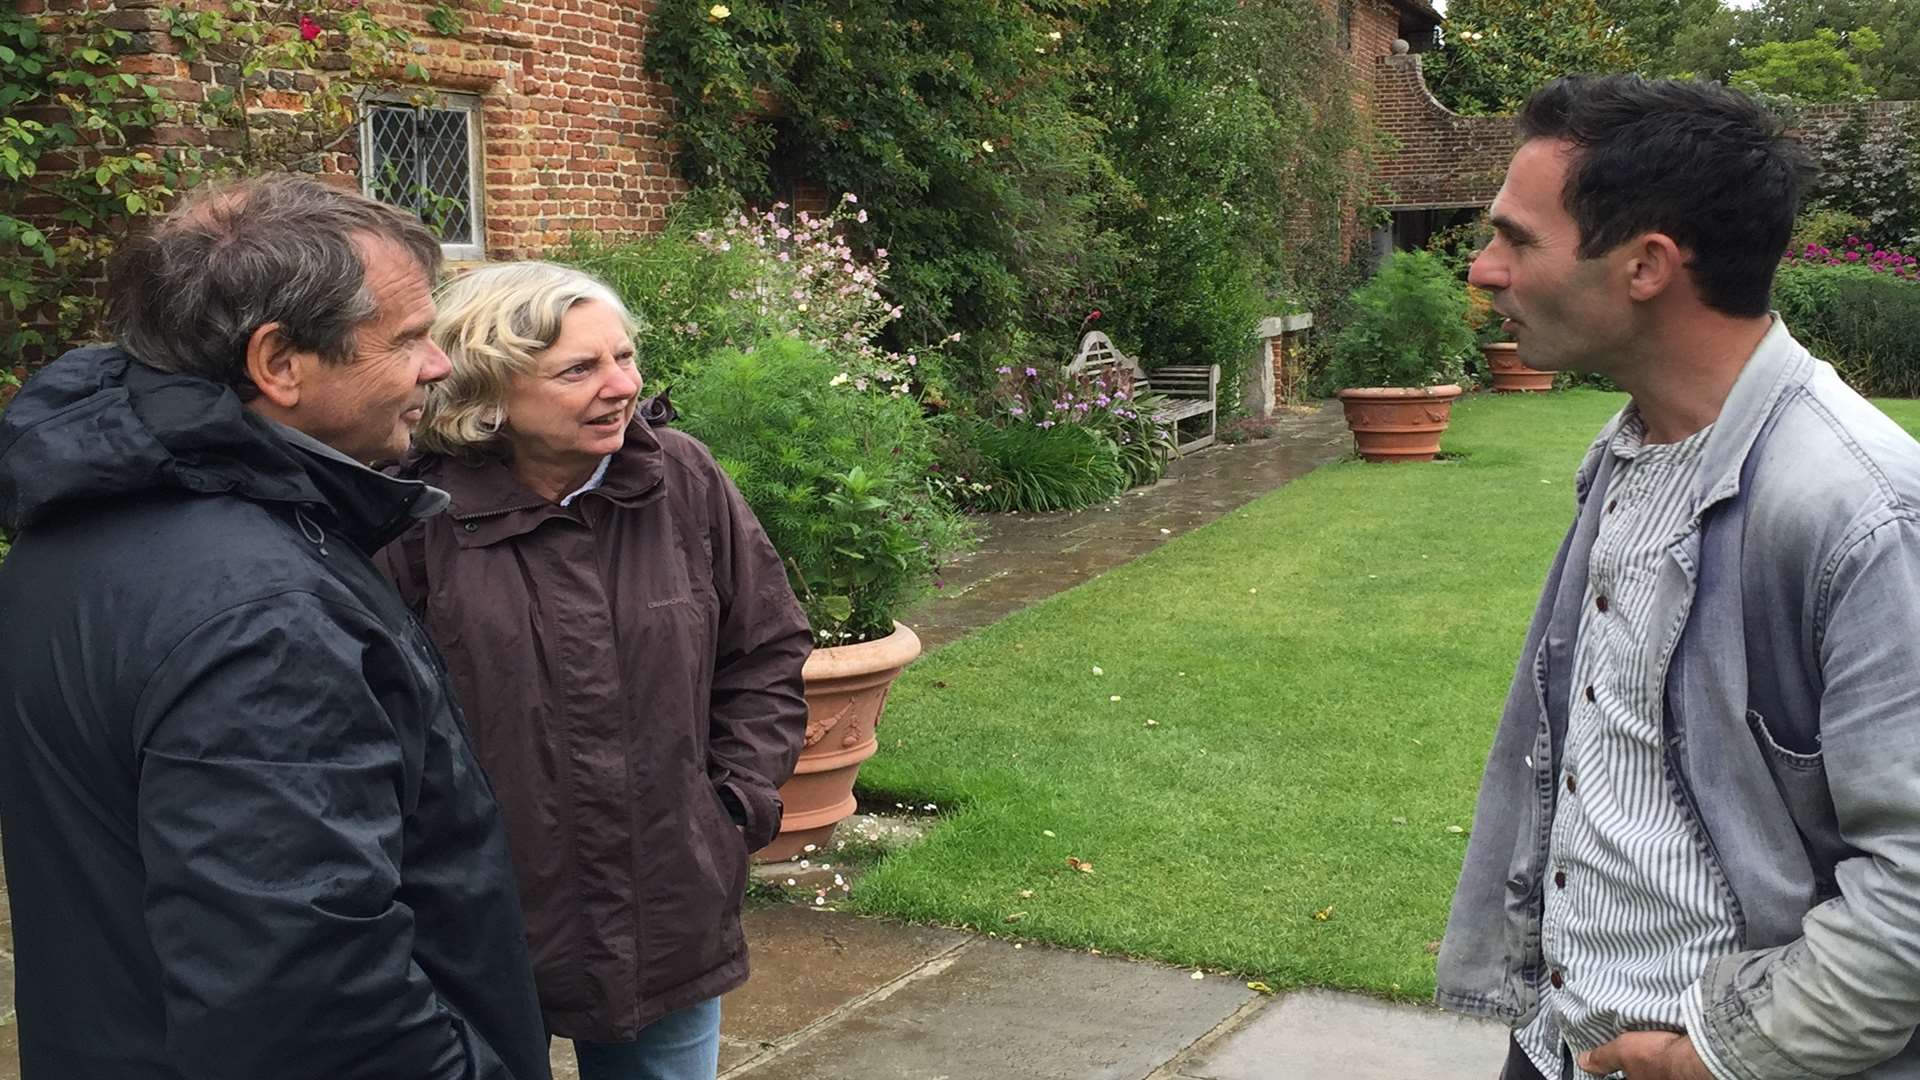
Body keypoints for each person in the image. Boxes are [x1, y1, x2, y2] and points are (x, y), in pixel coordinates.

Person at [0, 176, 551, 1080]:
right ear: (280, 362)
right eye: (409, 339)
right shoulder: (262, 619)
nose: (439, 366)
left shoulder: (87, 518)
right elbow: (311, 1007)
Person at [1438, 73, 1920, 1080]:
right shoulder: (1628, 452)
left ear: (1647, 266)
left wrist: (1712, 1056)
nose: (1484, 271)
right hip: (1563, 1039)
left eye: (1518, 240)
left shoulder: (1858, 510)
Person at [376, 261, 812, 1080]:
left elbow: (764, 650)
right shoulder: (409, 513)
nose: (622, 386)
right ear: (487, 391)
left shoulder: (681, 479)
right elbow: (370, 715)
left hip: (668, 904)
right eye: (580, 369)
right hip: (478, 923)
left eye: (624, 357)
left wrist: (732, 805)